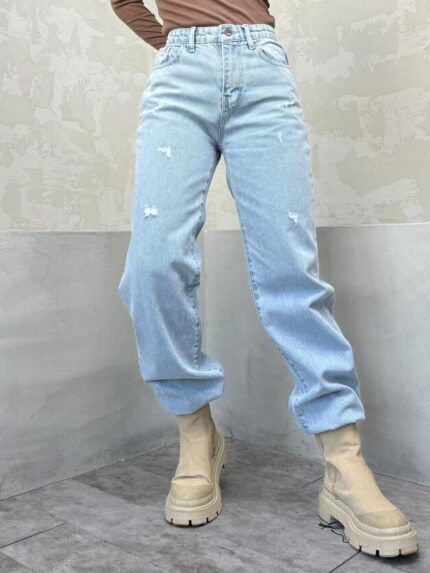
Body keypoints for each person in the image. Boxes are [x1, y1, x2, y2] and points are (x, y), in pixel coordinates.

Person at [110, 0, 419, 557]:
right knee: (153, 265)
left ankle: (343, 463)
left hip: (261, 67)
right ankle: (197, 434)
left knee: (289, 270)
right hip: (180, 74)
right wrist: (174, 44)